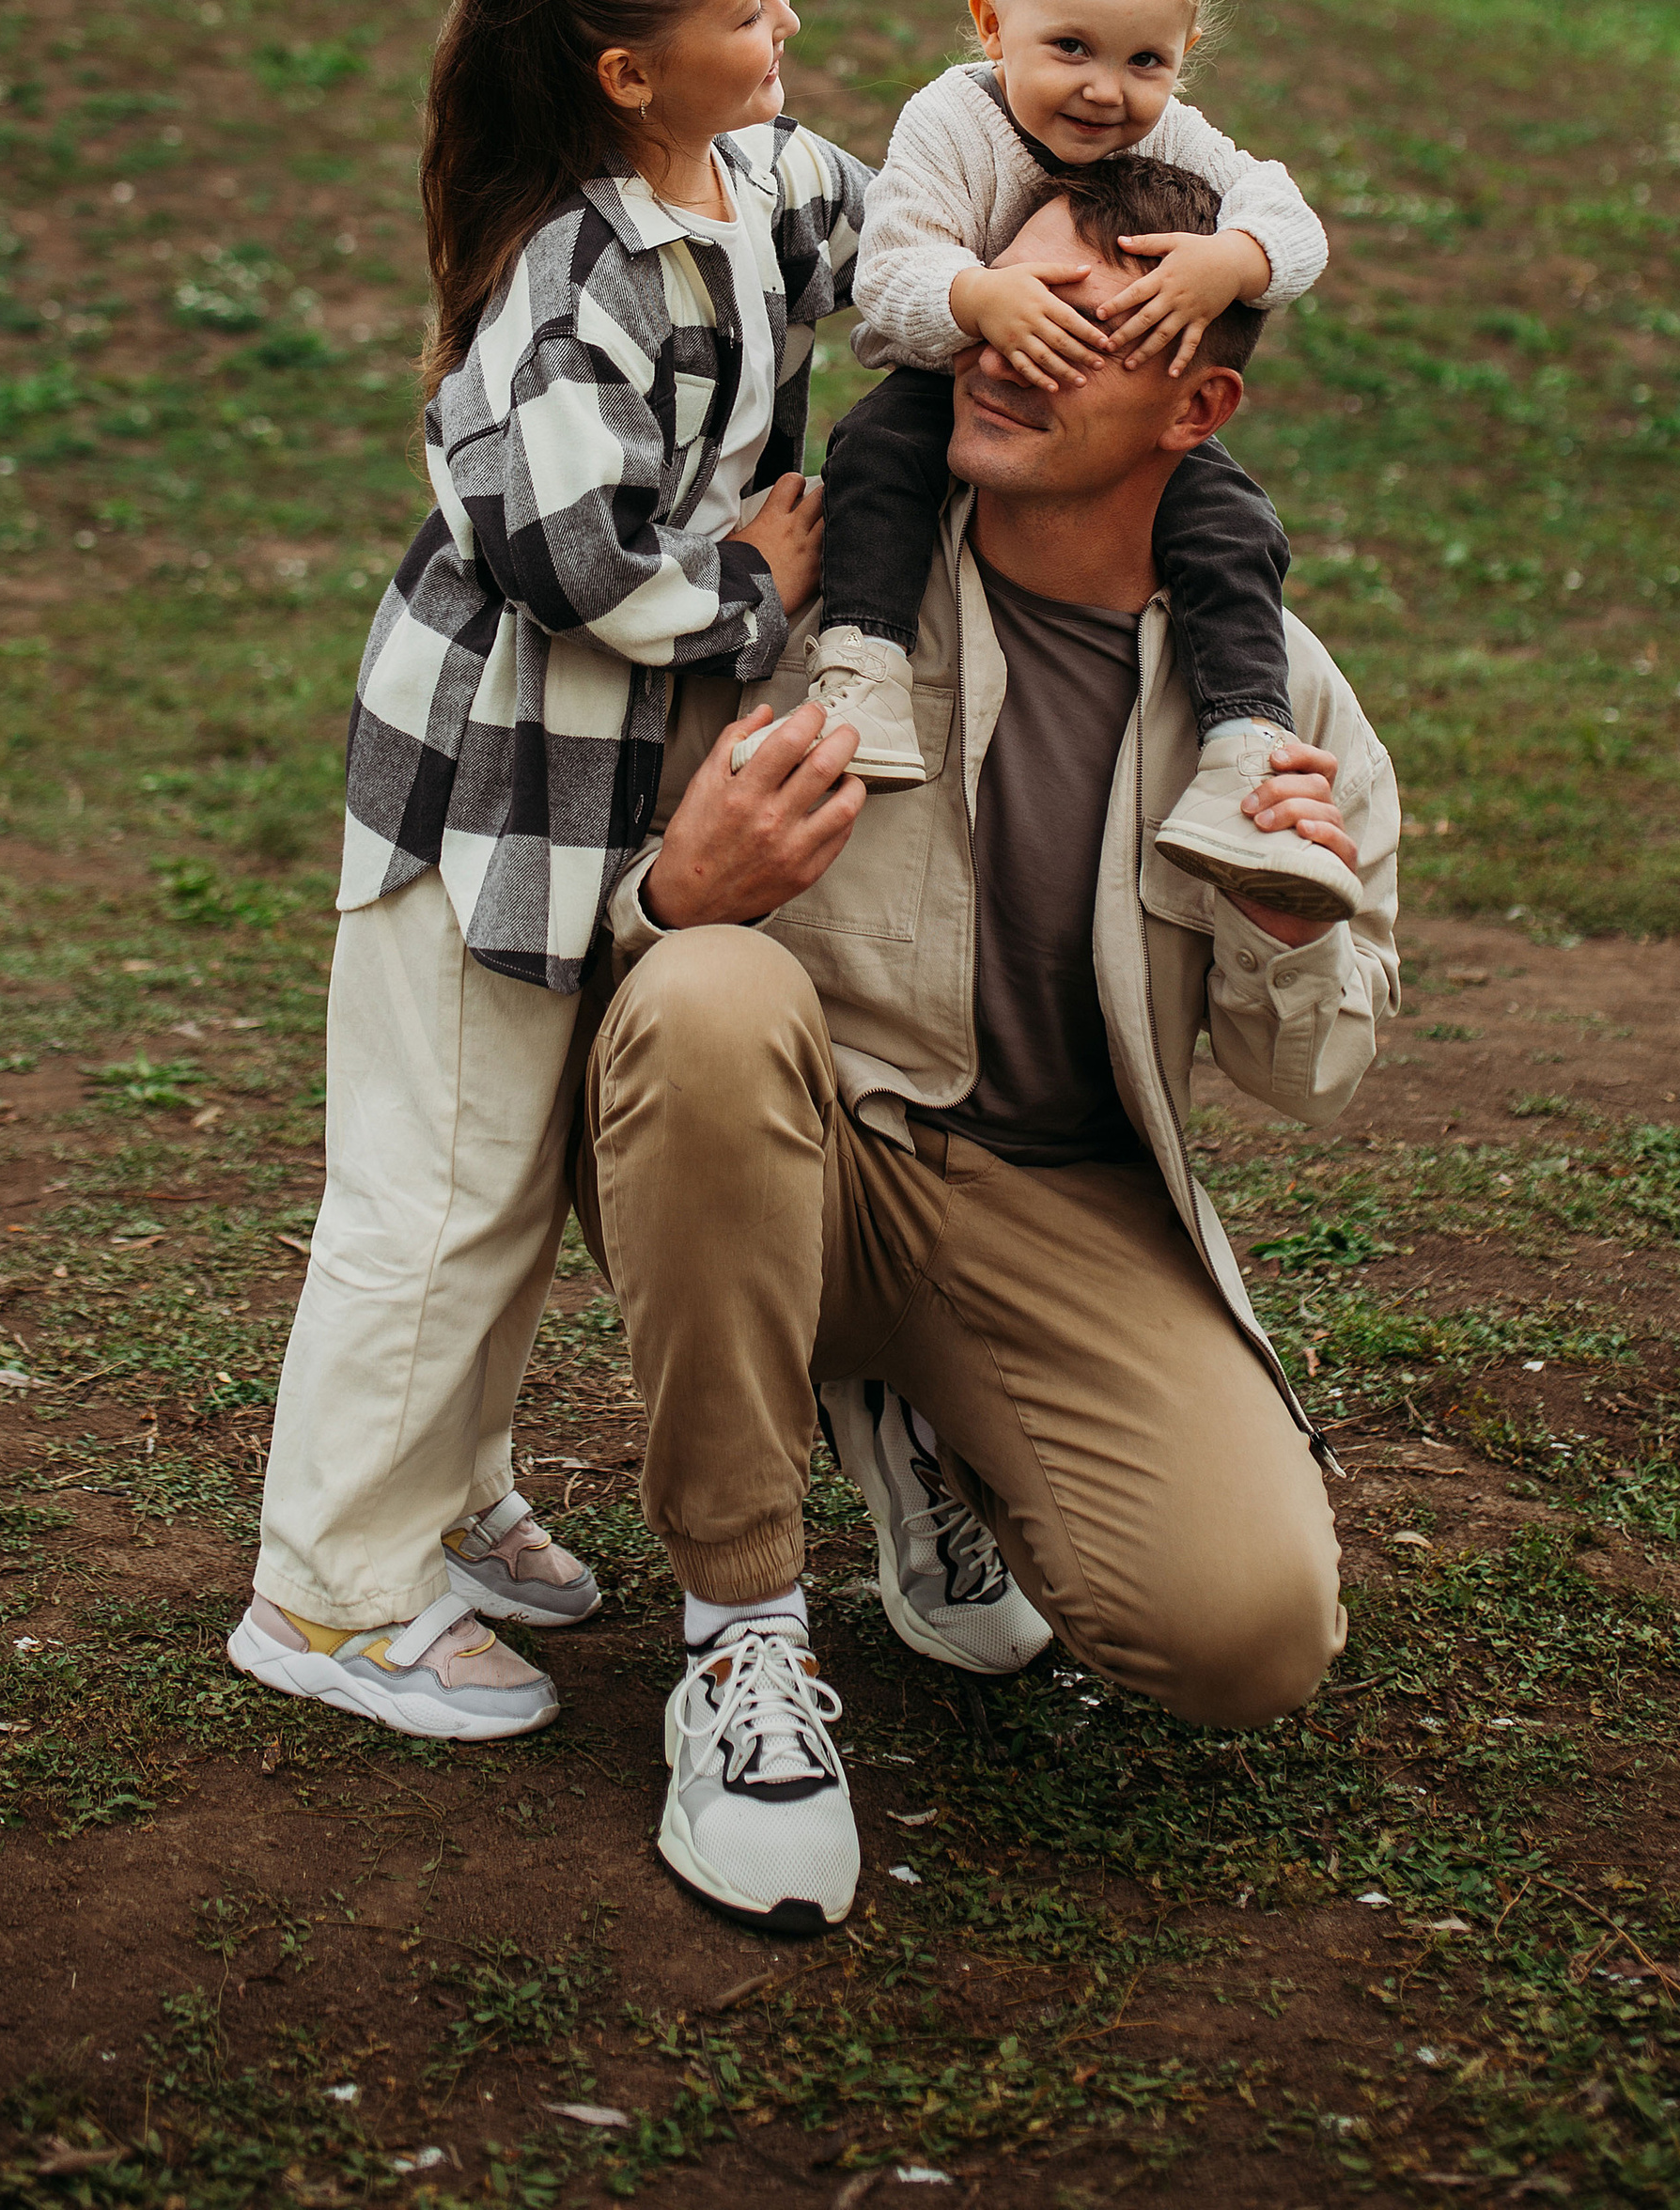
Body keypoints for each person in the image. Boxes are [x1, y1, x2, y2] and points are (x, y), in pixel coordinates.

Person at [576, 156, 1400, 1933]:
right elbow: (587, 947)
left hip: (1062, 1209)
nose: (1011, 348)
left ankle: (919, 1425)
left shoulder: (1283, 705)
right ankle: (741, 1636)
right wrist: (673, 895)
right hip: (802, 1152)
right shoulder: (811, 607)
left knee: (1247, 1636)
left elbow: (1314, 1081)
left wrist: (1287, 936)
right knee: (709, 995)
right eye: (997, 303)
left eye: (1086, 326)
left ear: (1199, 407)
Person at [228, 0, 866, 1744]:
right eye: (747, 8)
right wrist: (750, 592)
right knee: (432, 1192)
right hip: (481, 790)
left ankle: (450, 1490)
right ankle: (331, 1589)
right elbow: (561, 550)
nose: (785, 23)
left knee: (502, 1170)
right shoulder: (572, 274)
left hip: (580, 785)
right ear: (627, 72)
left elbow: (896, 228)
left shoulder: (752, 182)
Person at [807, 0, 1353, 926]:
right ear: (991, 25)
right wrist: (977, 296)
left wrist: (1235, 258)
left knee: (1231, 523)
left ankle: (1245, 739)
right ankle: (864, 668)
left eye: (1146, 61)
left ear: (1183, 55)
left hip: (1108, 411)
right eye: (1070, 48)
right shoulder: (951, 122)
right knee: (875, 458)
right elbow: (889, 273)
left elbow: (1290, 219)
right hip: (950, 373)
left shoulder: (1180, 138)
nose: (1107, 92)